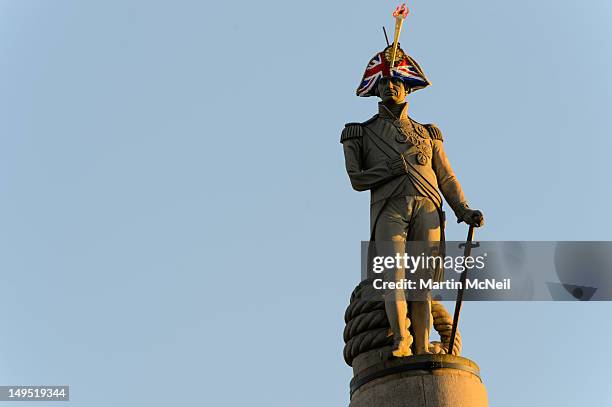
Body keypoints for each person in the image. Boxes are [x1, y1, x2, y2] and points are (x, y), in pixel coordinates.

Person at [340, 44, 484, 357]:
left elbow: (446, 177)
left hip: (428, 208)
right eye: (383, 83)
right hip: (389, 208)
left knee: (422, 283)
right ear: (375, 90)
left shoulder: (428, 133)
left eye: (396, 82)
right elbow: (357, 179)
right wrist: (387, 169)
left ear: (408, 87)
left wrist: (463, 209)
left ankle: (421, 345)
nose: (389, 86)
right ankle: (400, 340)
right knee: (393, 276)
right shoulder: (359, 133)